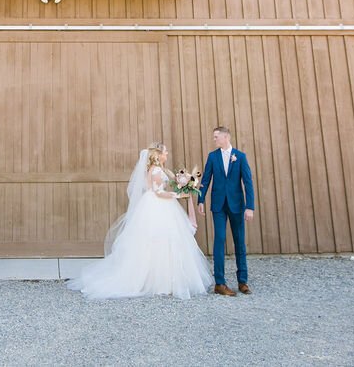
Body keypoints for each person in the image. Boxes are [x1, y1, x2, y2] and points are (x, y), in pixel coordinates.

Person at [67, 143, 213, 300]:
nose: (167, 154)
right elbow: (158, 192)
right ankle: (161, 282)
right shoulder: (156, 170)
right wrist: (179, 196)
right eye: (165, 152)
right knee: (161, 240)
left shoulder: (155, 169)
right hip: (158, 206)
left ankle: (160, 280)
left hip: (155, 204)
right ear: (158, 155)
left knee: (157, 242)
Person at [197, 126, 255, 296]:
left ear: (225, 137)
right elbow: (205, 180)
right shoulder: (212, 157)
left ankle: (242, 281)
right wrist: (200, 200)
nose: (214, 140)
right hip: (219, 205)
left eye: (216, 137)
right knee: (219, 240)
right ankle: (219, 283)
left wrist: (249, 207)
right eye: (214, 137)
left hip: (237, 205)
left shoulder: (240, 157)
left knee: (239, 242)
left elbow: (248, 183)